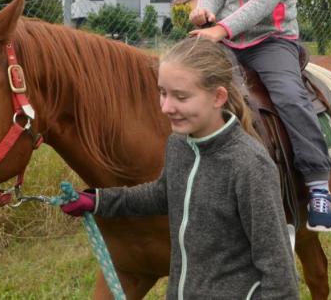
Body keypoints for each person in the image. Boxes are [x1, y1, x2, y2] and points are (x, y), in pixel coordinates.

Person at [61, 37, 300, 299]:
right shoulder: (178, 145)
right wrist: (98, 200)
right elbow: (163, 194)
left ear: (218, 96)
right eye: (163, 93)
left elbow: (278, 269)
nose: (166, 107)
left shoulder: (250, 165)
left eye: (181, 97)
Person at [187, 0, 331, 232]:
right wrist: (204, 10)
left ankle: (318, 182)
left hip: (272, 40)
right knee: (197, 89)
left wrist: (220, 29)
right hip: (228, 41)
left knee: (289, 97)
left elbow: (264, 2)